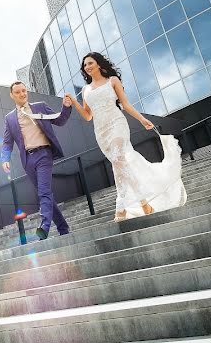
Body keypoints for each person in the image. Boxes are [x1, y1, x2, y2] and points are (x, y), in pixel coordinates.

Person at [69, 52, 187, 221]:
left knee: (118, 160)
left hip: (117, 124)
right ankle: (145, 203)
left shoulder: (112, 81)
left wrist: (142, 119)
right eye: (85, 65)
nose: (87, 67)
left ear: (99, 64)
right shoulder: (85, 90)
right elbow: (88, 116)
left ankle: (121, 208)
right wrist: (74, 101)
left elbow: (125, 104)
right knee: (120, 165)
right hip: (101, 131)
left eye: (90, 63)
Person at [1, 81, 73, 240]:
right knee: (46, 194)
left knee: (44, 191)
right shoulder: (10, 118)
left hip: (44, 154)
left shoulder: (39, 107)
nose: (22, 94)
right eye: (18, 92)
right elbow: (7, 142)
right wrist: (5, 158)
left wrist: (66, 107)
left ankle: (45, 225)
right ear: (12, 95)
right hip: (28, 160)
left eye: (24, 91)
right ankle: (63, 228)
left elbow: (59, 120)